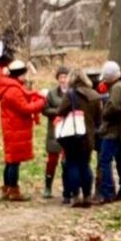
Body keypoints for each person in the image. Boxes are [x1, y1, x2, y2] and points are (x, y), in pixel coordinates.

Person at [0, 59, 46, 201]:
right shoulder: (13, 90)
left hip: (11, 128)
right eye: (24, 74)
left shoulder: (10, 86)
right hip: (15, 128)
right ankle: (13, 190)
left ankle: (6, 187)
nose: (26, 77)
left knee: (10, 160)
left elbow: (25, 96)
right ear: (19, 75)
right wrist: (42, 102)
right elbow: (26, 108)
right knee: (14, 161)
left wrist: (36, 94)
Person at [58, 67, 102, 208]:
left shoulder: (70, 94)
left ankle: (76, 195)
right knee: (85, 164)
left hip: (72, 135)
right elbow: (98, 119)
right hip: (88, 136)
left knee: (72, 164)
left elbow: (60, 111)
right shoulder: (95, 95)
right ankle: (88, 195)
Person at [95, 59, 121, 204]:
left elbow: (114, 107)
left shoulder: (116, 88)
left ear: (110, 77)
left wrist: (103, 112)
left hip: (113, 131)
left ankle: (106, 194)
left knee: (105, 160)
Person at [41, 66, 70, 200]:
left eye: (65, 77)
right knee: (52, 161)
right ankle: (48, 187)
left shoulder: (72, 92)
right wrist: (58, 112)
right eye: (61, 77)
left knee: (67, 162)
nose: (63, 80)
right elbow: (45, 110)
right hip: (54, 131)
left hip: (69, 130)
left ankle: (67, 188)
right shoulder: (51, 93)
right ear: (58, 79)